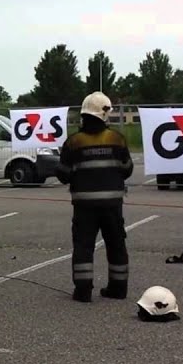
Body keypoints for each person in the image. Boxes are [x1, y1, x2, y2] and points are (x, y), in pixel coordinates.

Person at [55, 91, 134, 303]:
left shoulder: (73, 142)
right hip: (112, 205)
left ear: (84, 115)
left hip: (84, 206)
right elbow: (127, 169)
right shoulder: (117, 139)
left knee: (83, 246)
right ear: (105, 114)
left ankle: (83, 291)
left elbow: (62, 175)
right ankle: (118, 288)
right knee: (116, 244)